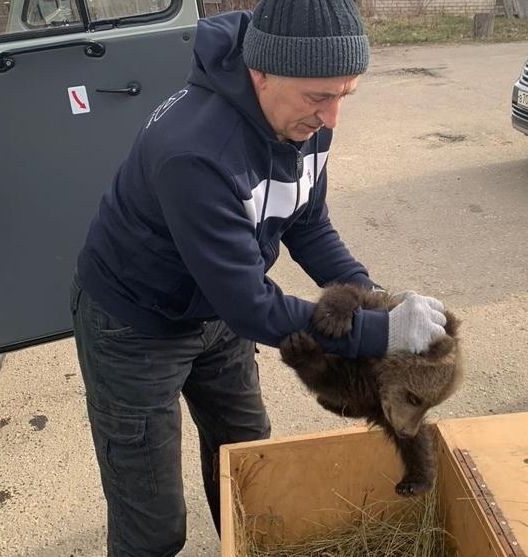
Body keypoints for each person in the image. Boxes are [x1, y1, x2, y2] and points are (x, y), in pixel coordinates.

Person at [69, 0, 447, 554]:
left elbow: (308, 224)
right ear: (260, 71)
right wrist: (381, 335)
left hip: (217, 310)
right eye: (319, 97)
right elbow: (252, 305)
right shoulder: (195, 151)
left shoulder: (305, 119)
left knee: (246, 465)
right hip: (136, 326)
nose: (332, 119)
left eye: (345, 95)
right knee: (152, 522)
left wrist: (375, 302)